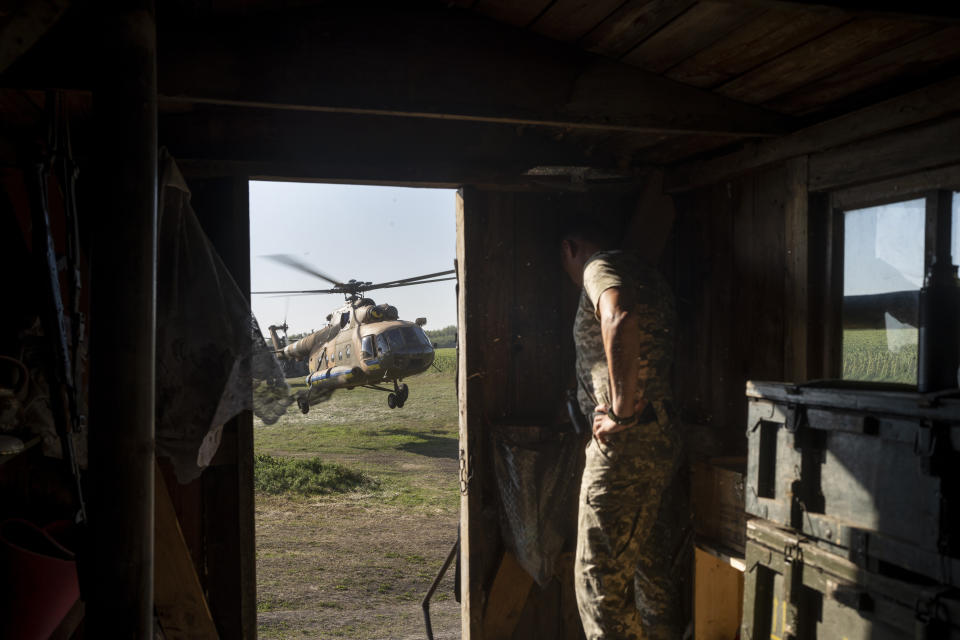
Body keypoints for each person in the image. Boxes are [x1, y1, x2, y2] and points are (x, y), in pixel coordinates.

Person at [560, 221, 689, 640]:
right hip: (660, 439)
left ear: (570, 247)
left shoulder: (599, 267)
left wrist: (620, 413)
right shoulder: (647, 273)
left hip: (625, 446)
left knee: (598, 585)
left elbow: (618, 317)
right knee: (651, 569)